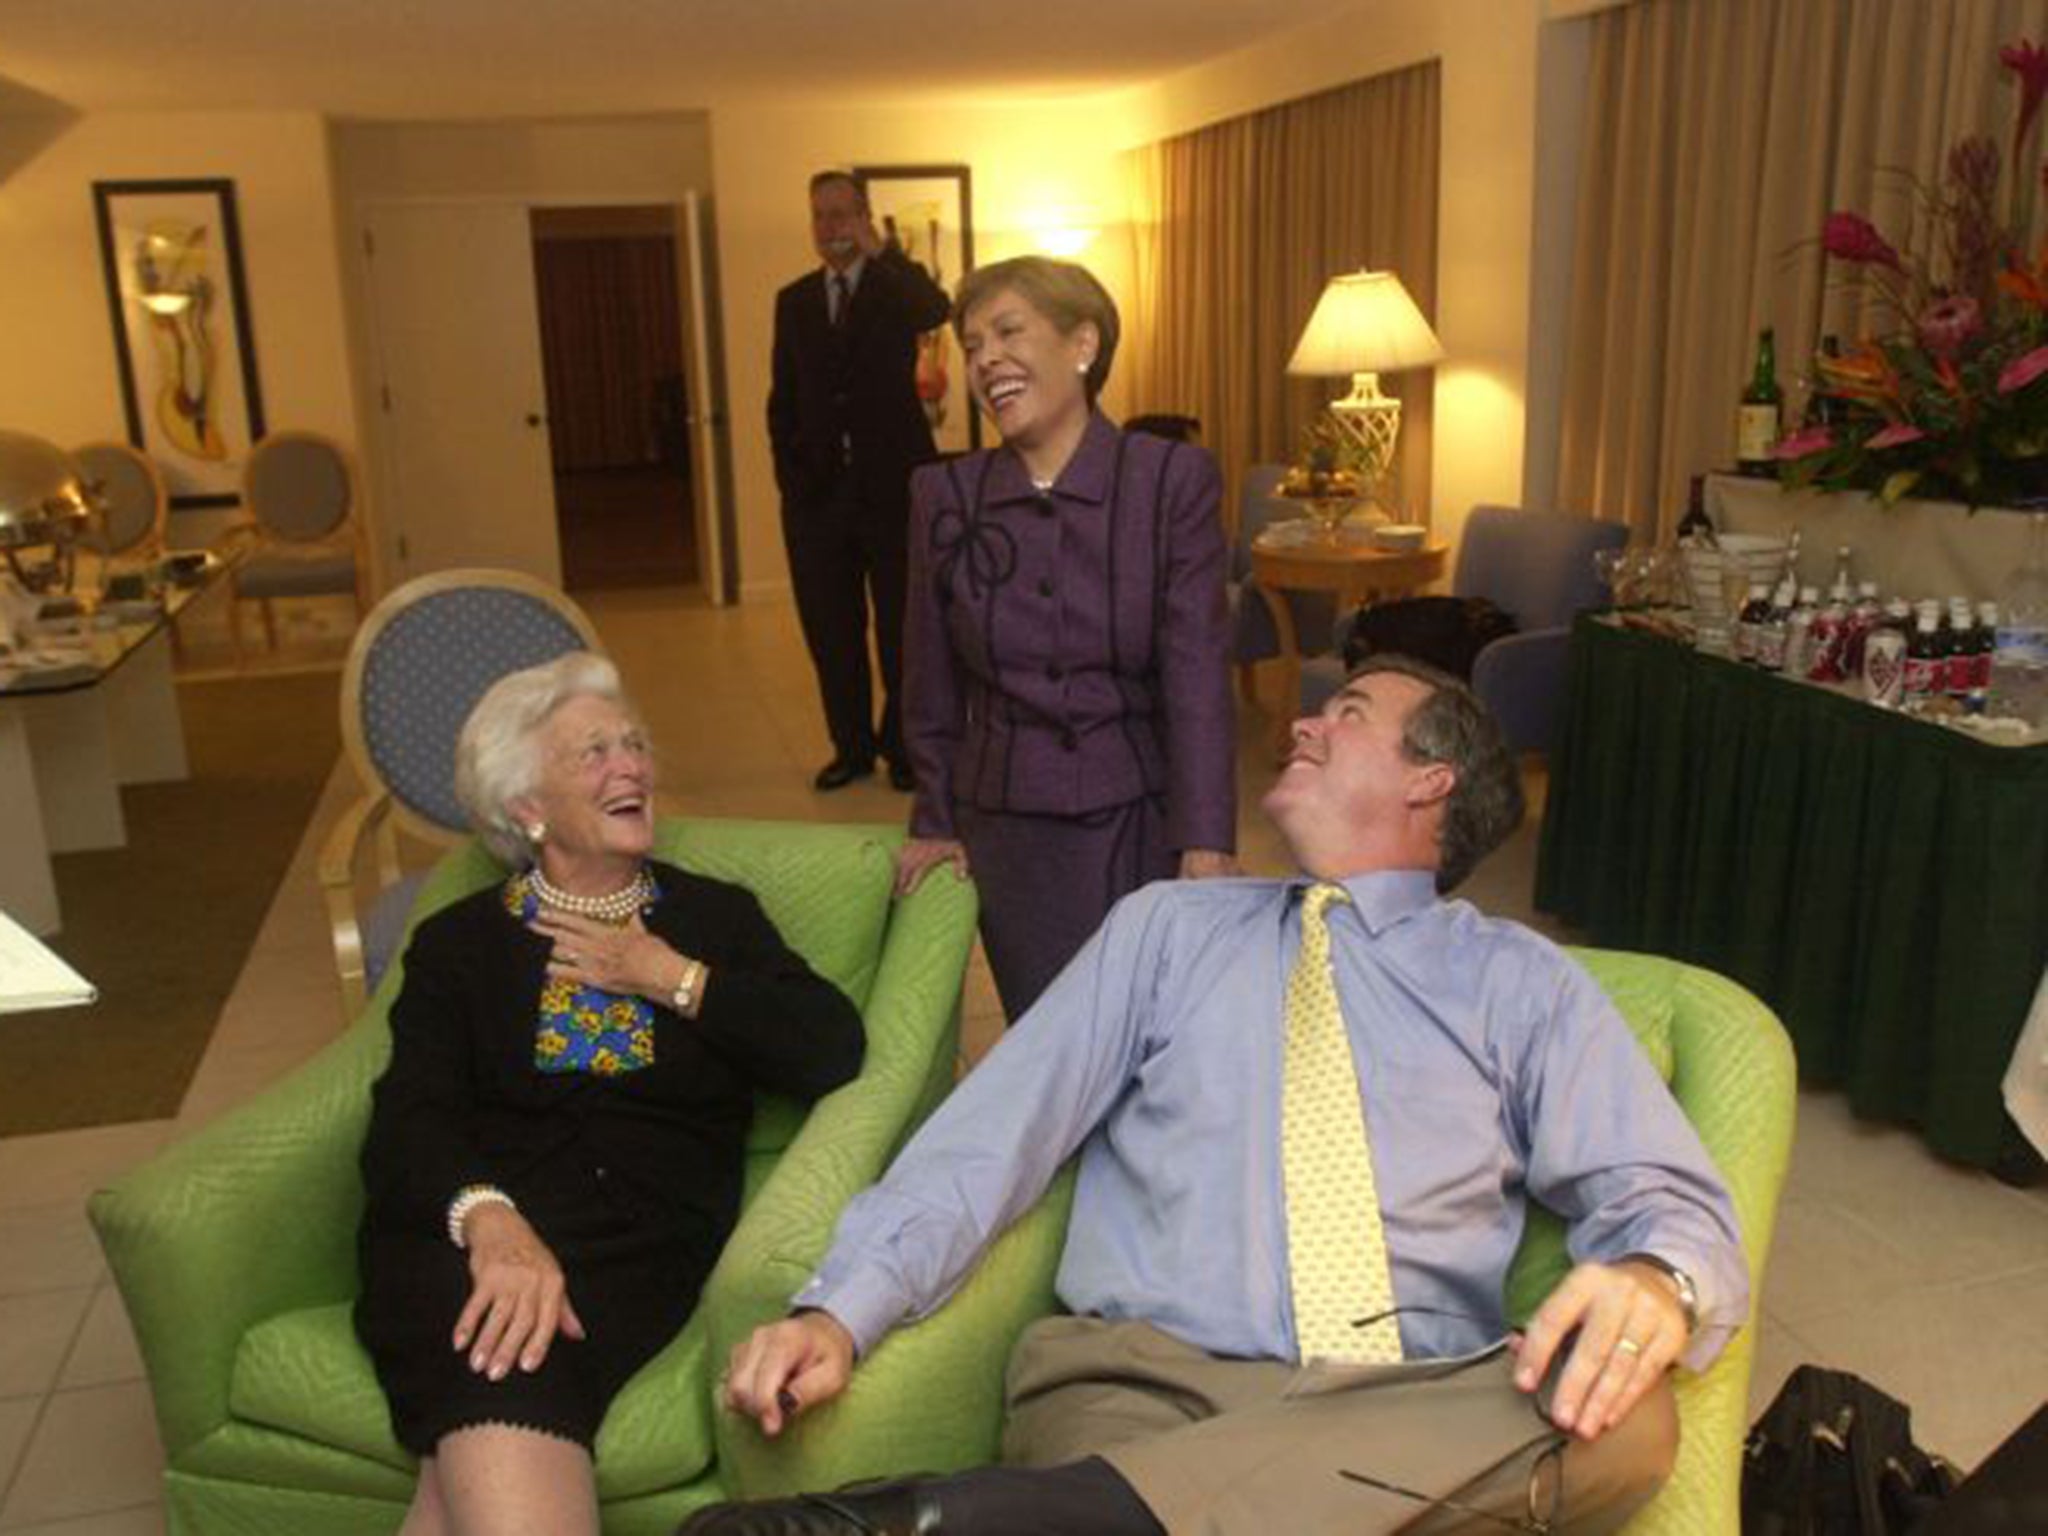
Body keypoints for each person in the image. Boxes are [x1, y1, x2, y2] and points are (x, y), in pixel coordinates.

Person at [684, 656, 1750, 1536]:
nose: (1299, 723)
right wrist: (840, 1305)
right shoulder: (1164, 928)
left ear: (1431, 781)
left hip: (1401, 1406)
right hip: (1142, 1388)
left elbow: (1668, 1194)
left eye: (1347, 713)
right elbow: (990, 1133)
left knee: (1624, 1424)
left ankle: (960, 1523)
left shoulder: (1520, 982)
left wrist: (1657, 1280)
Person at [353, 651, 864, 1536]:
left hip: (637, 1240)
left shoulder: (712, 919)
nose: (630, 765)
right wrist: (493, 1224)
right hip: (470, 1233)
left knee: (505, 1356)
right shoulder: (460, 944)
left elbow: (829, 1046)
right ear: (526, 808)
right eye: (592, 753)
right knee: (496, 1331)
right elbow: (412, 1116)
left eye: (633, 745)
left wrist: (670, 977)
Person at [894, 256, 1237, 1019]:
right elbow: (930, 677)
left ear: (1083, 344)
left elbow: (1197, 672)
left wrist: (1205, 838)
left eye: (1008, 331)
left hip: (1141, 818)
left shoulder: (1168, 481)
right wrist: (935, 819)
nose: (985, 359)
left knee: (1156, 1037)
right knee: (1052, 1040)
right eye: (972, 343)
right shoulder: (942, 496)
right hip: (1011, 832)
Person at [769, 169, 952, 793]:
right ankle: (849, 748)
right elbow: (783, 400)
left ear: (865, 219)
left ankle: (903, 747)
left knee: (904, 626)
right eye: (820, 216)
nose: (831, 228)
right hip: (819, 498)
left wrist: (884, 254)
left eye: (843, 215)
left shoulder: (894, 288)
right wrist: (791, 479)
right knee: (832, 628)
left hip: (894, 490)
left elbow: (937, 310)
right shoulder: (792, 301)